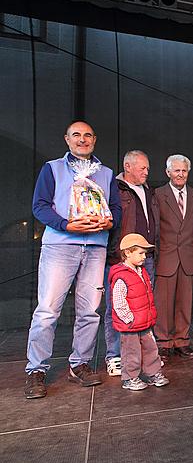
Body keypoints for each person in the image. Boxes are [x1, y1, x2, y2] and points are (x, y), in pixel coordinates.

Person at [24, 121, 121, 399]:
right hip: (60, 246)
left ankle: (79, 364)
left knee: (90, 312)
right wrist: (67, 225)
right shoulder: (52, 168)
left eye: (88, 135)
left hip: (95, 248)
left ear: (95, 139)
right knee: (47, 311)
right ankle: (36, 370)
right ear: (67, 139)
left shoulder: (106, 173)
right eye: (76, 135)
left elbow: (115, 208)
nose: (82, 139)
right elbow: (39, 206)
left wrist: (109, 220)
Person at [103, 150, 159, 377]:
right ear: (127, 166)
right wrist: (116, 252)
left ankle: (142, 356)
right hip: (121, 258)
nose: (147, 172)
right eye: (142, 168)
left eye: (147, 168)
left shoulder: (147, 190)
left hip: (145, 259)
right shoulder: (114, 188)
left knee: (143, 306)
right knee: (116, 308)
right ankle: (115, 356)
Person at [153, 154, 193, 360]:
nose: (180, 174)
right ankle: (163, 342)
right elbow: (154, 227)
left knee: (185, 302)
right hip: (166, 256)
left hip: (188, 257)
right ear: (168, 172)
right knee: (163, 303)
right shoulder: (157, 194)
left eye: (184, 171)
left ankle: (182, 340)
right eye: (177, 170)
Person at [109, 234, 169, 391]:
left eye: (145, 253)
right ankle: (130, 378)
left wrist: (148, 316)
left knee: (151, 349)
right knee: (131, 352)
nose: (144, 257)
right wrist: (130, 320)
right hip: (131, 324)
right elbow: (119, 301)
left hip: (145, 322)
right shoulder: (121, 276)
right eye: (141, 253)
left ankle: (153, 373)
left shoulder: (141, 271)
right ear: (128, 253)